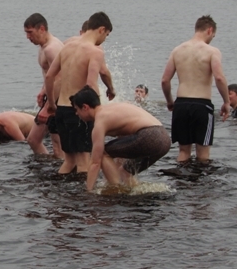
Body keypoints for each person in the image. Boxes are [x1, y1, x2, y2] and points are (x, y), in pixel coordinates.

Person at [43, 12, 114, 175]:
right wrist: (99, 111)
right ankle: (83, 199)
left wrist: (52, 104)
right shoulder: (95, 51)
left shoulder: (67, 46)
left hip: (61, 109)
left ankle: (61, 196)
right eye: (107, 35)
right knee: (83, 162)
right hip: (80, 112)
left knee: (68, 161)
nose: (104, 40)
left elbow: (49, 76)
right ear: (101, 30)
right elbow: (90, 84)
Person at [70, 86, 171, 192]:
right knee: (125, 171)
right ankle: (135, 192)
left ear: (85, 107)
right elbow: (123, 145)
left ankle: (116, 191)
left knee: (103, 153)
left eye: (76, 109)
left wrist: (89, 191)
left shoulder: (100, 120)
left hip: (150, 135)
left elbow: (95, 162)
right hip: (164, 139)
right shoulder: (113, 108)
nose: (76, 114)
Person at [161, 14, 230, 164]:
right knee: (203, 153)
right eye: (213, 36)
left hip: (181, 104)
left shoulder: (177, 50)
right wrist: (226, 101)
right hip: (201, 106)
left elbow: (165, 80)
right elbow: (219, 78)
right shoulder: (212, 51)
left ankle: (181, 185)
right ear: (210, 30)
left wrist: (170, 102)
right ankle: (201, 186)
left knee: (183, 151)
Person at [23, 13, 64, 157]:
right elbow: (49, 75)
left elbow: (60, 78)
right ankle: (48, 171)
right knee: (33, 140)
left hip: (59, 100)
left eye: (30, 33)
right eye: (26, 33)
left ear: (41, 29)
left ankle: (62, 175)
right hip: (51, 97)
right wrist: (43, 91)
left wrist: (48, 107)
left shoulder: (52, 48)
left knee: (58, 147)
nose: (28, 37)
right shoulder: (43, 46)